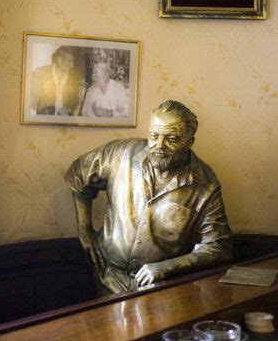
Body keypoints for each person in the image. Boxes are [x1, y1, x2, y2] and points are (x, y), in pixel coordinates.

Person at [66, 100, 232, 295]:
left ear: (189, 141)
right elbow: (78, 175)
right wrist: (85, 230)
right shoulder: (121, 153)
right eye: (154, 136)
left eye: (171, 138)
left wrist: (166, 267)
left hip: (162, 289)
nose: (159, 145)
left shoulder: (205, 184)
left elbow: (217, 247)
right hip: (108, 278)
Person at [31, 46, 82, 116]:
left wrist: (69, 109)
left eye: (73, 61)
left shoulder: (73, 79)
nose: (72, 65)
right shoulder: (40, 73)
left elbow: (74, 102)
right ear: (59, 60)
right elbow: (32, 105)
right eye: (69, 61)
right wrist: (56, 110)